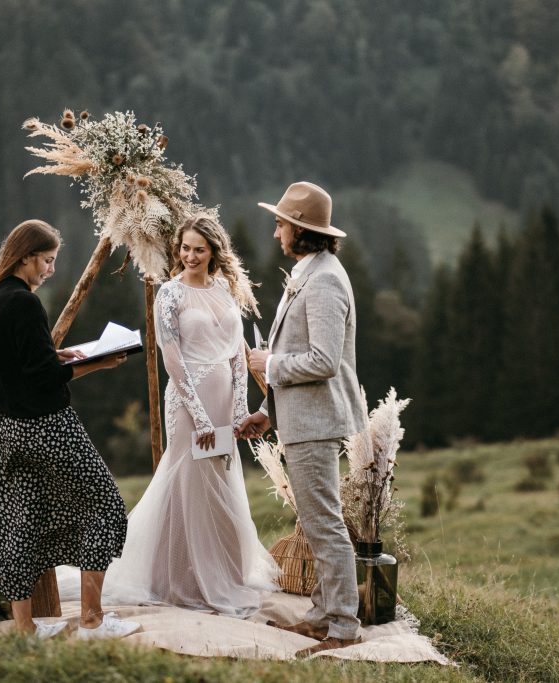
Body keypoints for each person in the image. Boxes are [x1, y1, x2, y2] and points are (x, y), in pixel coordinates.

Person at [102, 215, 280, 617]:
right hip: (187, 402)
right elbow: (172, 359)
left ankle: (225, 573)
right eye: (185, 248)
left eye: (199, 249)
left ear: (214, 251)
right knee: (185, 479)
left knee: (221, 479)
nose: (190, 256)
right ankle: (177, 580)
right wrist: (200, 418)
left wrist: (238, 409)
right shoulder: (169, 294)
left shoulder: (224, 289)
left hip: (224, 401)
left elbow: (237, 355)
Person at [0, 219, 140, 640]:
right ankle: (91, 620)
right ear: (27, 256)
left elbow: (20, 369)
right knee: (105, 506)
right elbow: (44, 378)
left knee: (21, 521)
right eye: (47, 261)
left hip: (4, 431)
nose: (50, 269)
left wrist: (57, 354)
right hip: (47, 429)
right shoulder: (25, 303)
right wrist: (98, 361)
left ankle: (26, 627)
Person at [237, 182, 367, 657]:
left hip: (316, 423)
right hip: (300, 418)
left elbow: (324, 360)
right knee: (315, 524)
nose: (275, 234)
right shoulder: (311, 271)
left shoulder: (326, 278)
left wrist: (266, 365)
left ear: (300, 229)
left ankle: (343, 627)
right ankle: (320, 614)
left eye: (280, 224)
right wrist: (268, 412)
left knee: (325, 524)